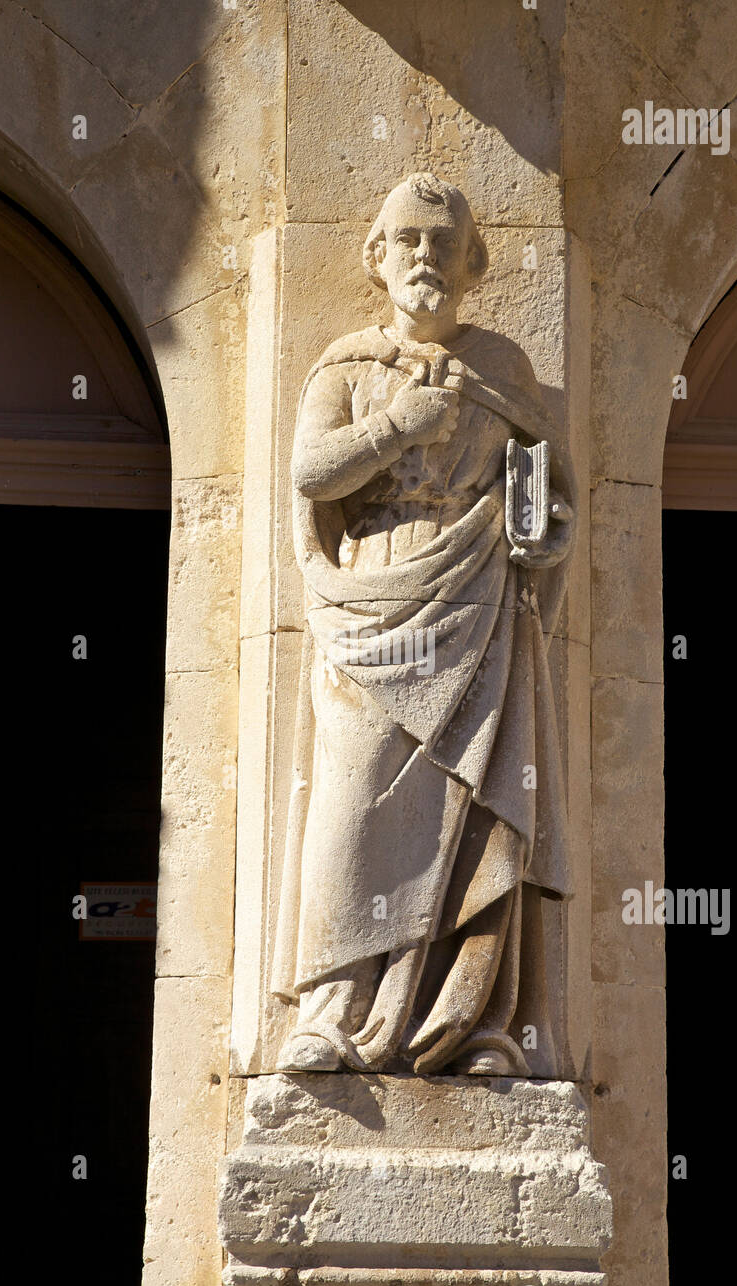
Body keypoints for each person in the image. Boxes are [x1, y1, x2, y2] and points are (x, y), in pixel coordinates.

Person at [271, 172, 573, 1076]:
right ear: (378, 256)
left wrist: (547, 534)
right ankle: (333, 1011)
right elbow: (313, 476)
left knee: (479, 807)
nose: (424, 257)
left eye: (443, 243)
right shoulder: (348, 364)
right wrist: (400, 426)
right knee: (352, 805)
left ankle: (475, 1022)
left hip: (479, 605)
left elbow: (544, 491)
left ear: (472, 261)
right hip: (370, 606)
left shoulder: (505, 372)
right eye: (406, 239)